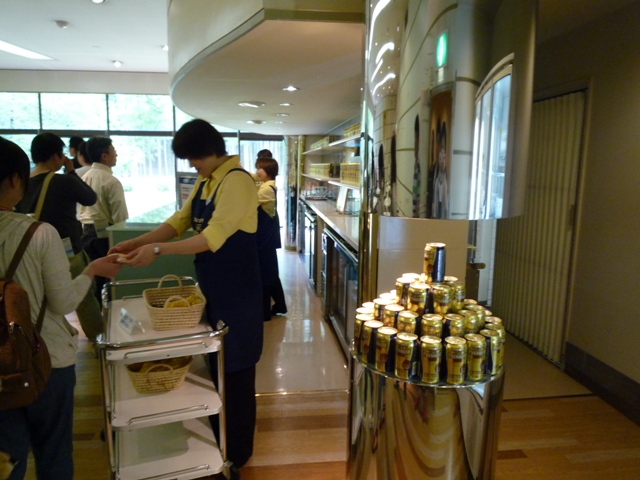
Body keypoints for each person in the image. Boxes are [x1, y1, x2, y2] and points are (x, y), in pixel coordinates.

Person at [109, 119, 263, 475]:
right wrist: (137, 242)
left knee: (237, 369)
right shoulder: (208, 181)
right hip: (215, 287)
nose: (192, 165)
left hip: (238, 292)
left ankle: (238, 452)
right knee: (218, 363)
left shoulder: (237, 181)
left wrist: (157, 251)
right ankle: (221, 437)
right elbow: (179, 221)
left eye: (194, 158)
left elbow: (211, 237)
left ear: (208, 150)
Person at [0, 136, 122, 480]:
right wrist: (91, 271)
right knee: (53, 453)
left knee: (8, 460)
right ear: (15, 179)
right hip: (44, 359)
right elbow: (63, 301)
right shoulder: (39, 234)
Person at [15, 133, 104, 345]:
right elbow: (90, 198)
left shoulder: (22, 185)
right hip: (67, 252)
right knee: (83, 298)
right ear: (56, 156)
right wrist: (71, 171)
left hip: (31, 254)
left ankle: (42, 346)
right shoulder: (64, 181)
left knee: (41, 302)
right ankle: (100, 343)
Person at [78, 136, 128, 303]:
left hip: (86, 234)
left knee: (94, 282)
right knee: (110, 281)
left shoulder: (83, 178)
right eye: (114, 151)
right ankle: (110, 314)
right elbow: (120, 217)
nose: (116, 155)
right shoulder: (111, 181)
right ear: (104, 156)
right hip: (106, 237)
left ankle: (100, 314)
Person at [255, 156, 287, 320]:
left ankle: (265, 312)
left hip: (264, 238)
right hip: (266, 236)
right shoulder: (266, 185)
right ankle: (280, 305)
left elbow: (250, 203)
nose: (256, 171)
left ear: (268, 171)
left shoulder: (267, 188)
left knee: (266, 274)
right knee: (271, 272)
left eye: (259, 168)